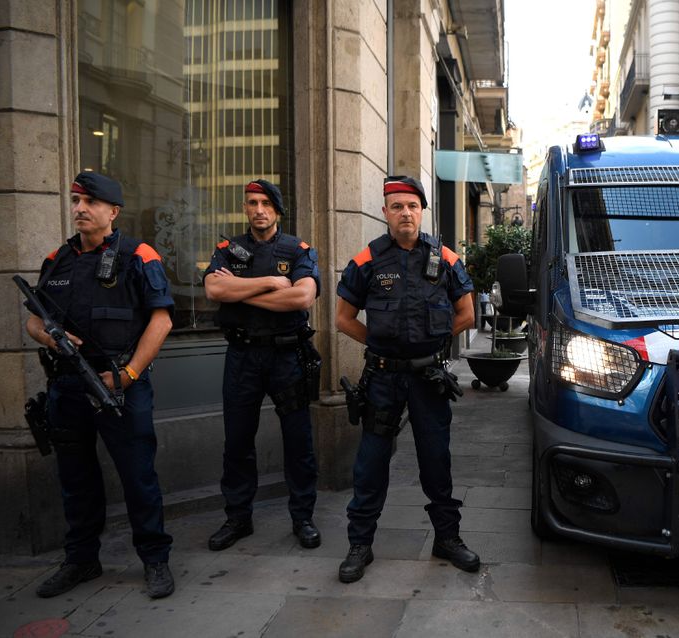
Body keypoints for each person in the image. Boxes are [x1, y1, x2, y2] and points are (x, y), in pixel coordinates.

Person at [25, 171, 175, 599]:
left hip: (119, 386)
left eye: (89, 202)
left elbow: (162, 321)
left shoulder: (139, 256)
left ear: (113, 211)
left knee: (138, 476)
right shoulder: (57, 259)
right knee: (76, 479)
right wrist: (48, 335)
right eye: (75, 201)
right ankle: (81, 560)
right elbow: (35, 320)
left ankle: (155, 559)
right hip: (68, 387)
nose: (79, 209)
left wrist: (127, 375)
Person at [335, 175, 479, 583]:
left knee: (436, 459)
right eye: (396, 206)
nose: (405, 213)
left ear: (422, 211)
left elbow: (467, 315)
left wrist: (430, 345)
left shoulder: (445, 259)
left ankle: (447, 538)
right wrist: (383, 346)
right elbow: (343, 320)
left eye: (412, 206)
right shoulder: (368, 260)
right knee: (371, 462)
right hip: (382, 379)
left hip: (428, 378)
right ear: (385, 213)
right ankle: (359, 544)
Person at [203, 179, 322, 551]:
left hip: (288, 356)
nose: (258, 209)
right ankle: (238, 518)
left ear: (277, 210)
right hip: (242, 357)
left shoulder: (298, 249)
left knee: (298, 440)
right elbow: (214, 290)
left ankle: (303, 517)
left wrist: (240, 293)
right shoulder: (229, 249)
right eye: (252, 202)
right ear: (245, 208)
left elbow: (302, 298)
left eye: (266, 203)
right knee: (237, 441)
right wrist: (271, 282)